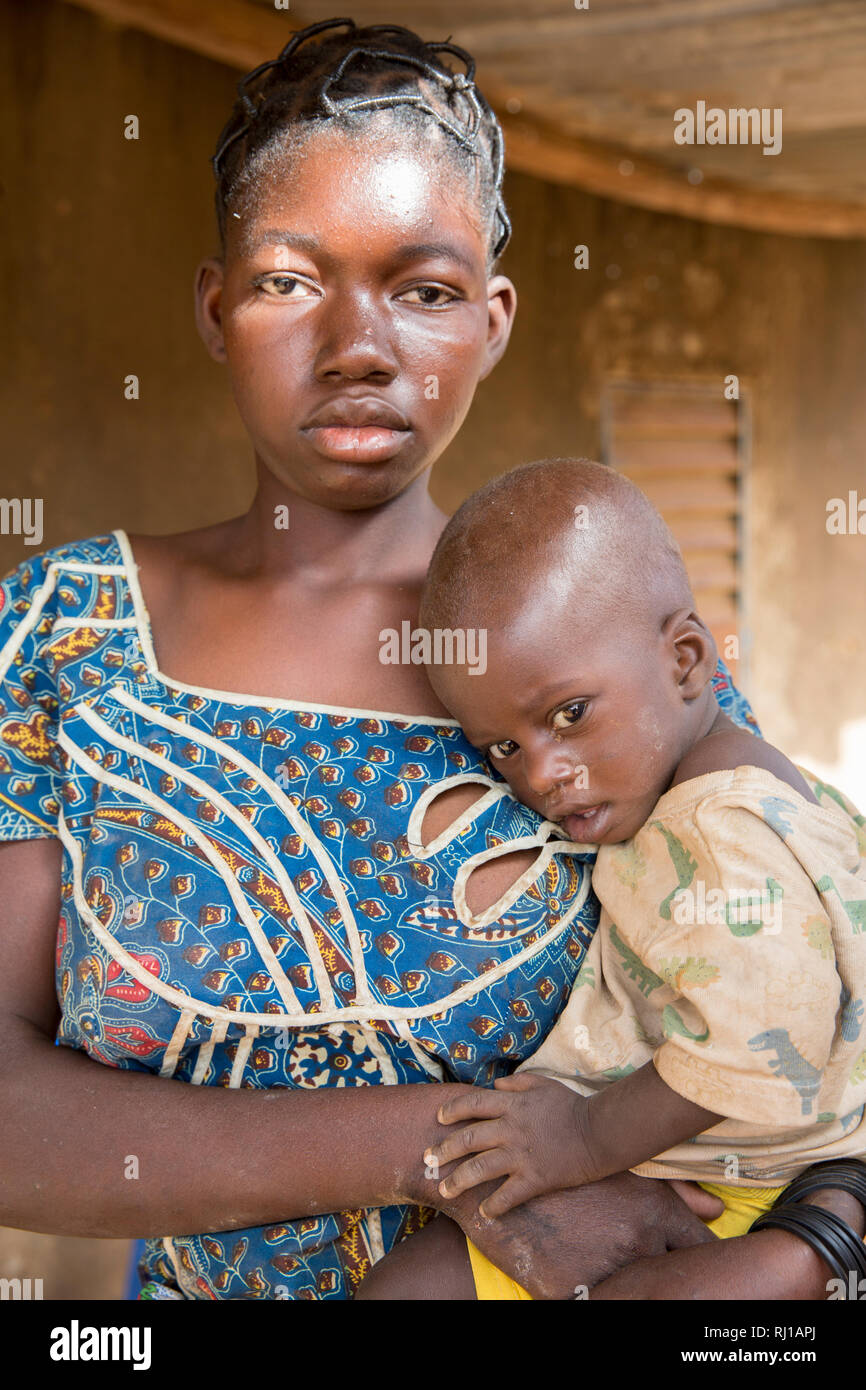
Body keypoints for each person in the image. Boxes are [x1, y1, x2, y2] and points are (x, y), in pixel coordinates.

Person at [0, 19, 857, 1302]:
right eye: (289, 281)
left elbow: (808, 985)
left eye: (425, 290)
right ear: (215, 306)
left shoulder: (583, 629)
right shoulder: (65, 631)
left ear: (494, 320)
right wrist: (444, 1158)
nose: (359, 347)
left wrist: (814, 1244)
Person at [356, 457, 866, 1299]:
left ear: (688, 661)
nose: (543, 773)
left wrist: (583, 1137)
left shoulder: (715, 829)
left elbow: (759, 1043)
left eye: (569, 715)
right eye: (504, 748)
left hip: (735, 1190)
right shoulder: (762, 785)